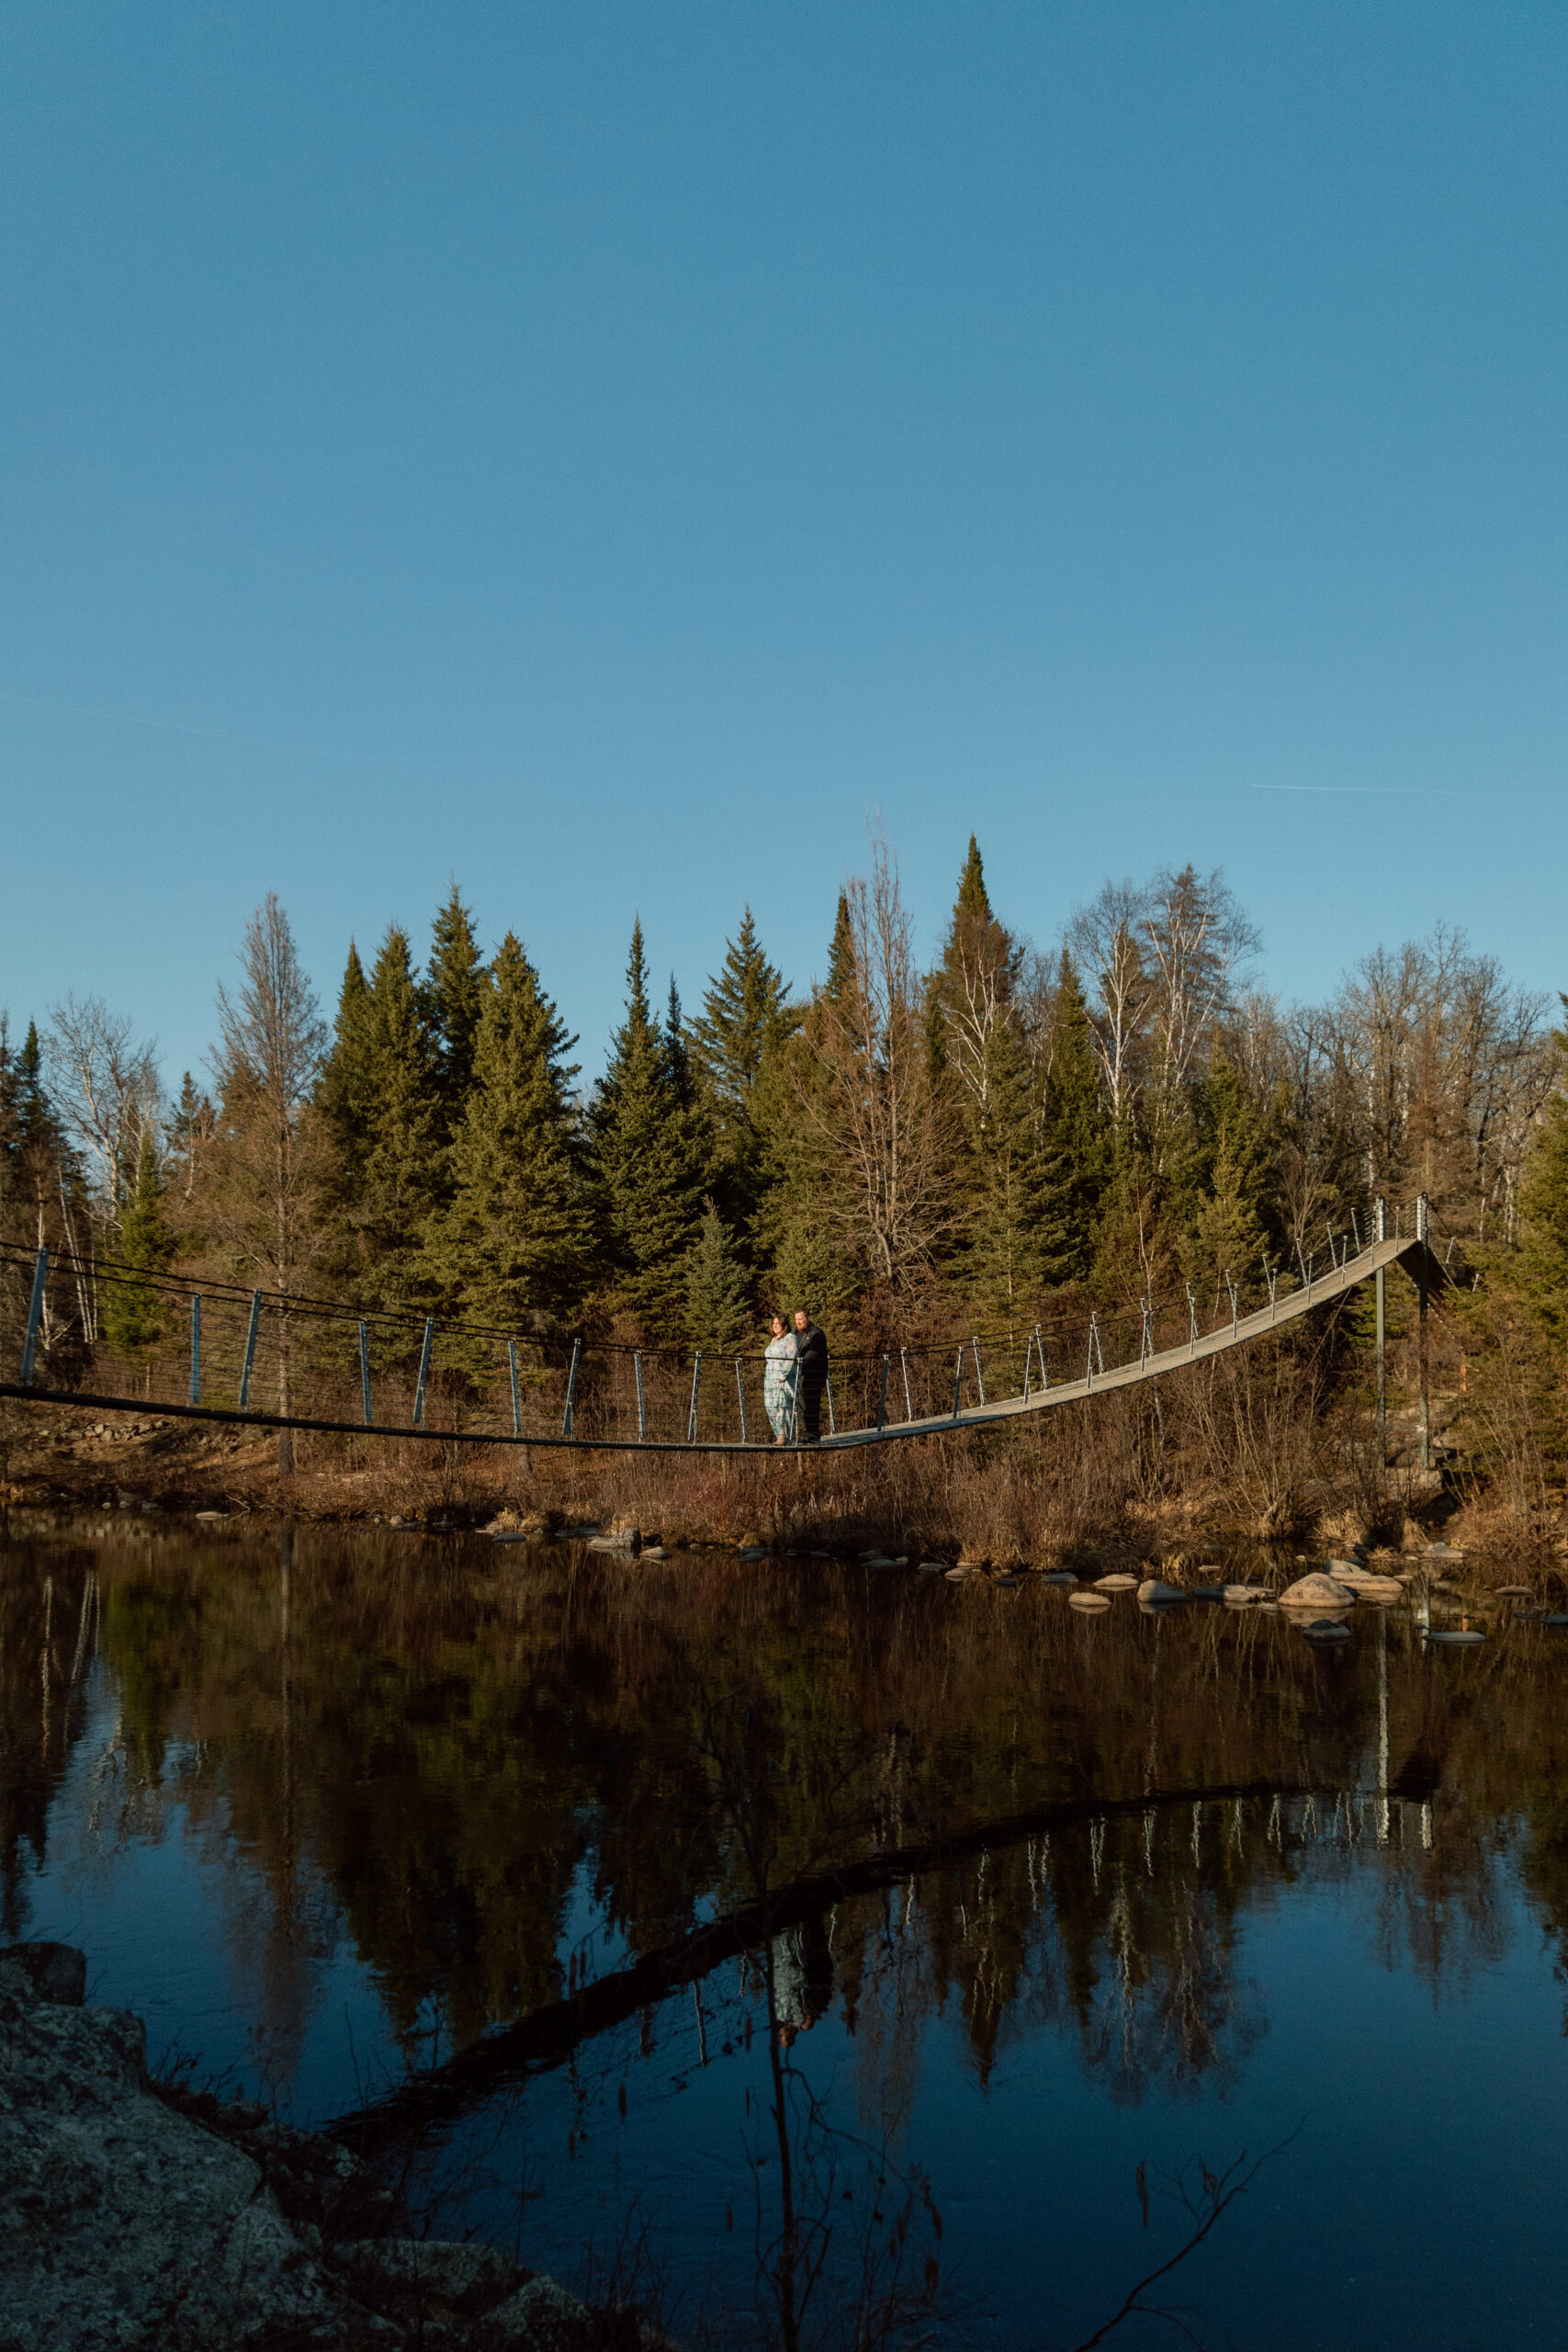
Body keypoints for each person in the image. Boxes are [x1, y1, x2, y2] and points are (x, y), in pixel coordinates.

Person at [793, 1306, 829, 1443]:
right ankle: (804, 1434)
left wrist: (798, 1363)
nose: (798, 1322)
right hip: (799, 1375)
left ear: (808, 1318)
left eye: (801, 1319)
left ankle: (813, 1434)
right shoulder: (794, 1333)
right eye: (796, 1319)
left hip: (814, 1375)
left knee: (811, 1404)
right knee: (801, 1405)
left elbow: (812, 1354)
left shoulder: (817, 1334)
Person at [761, 1314, 799, 1444]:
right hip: (770, 1378)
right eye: (773, 1323)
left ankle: (783, 1436)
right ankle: (779, 1433)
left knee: (782, 1405)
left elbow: (792, 1356)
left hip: (783, 1379)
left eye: (778, 1323)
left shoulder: (790, 1338)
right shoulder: (773, 1340)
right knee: (770, 1405)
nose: (775, 1326)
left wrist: (783, 1375)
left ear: (784, 1325)